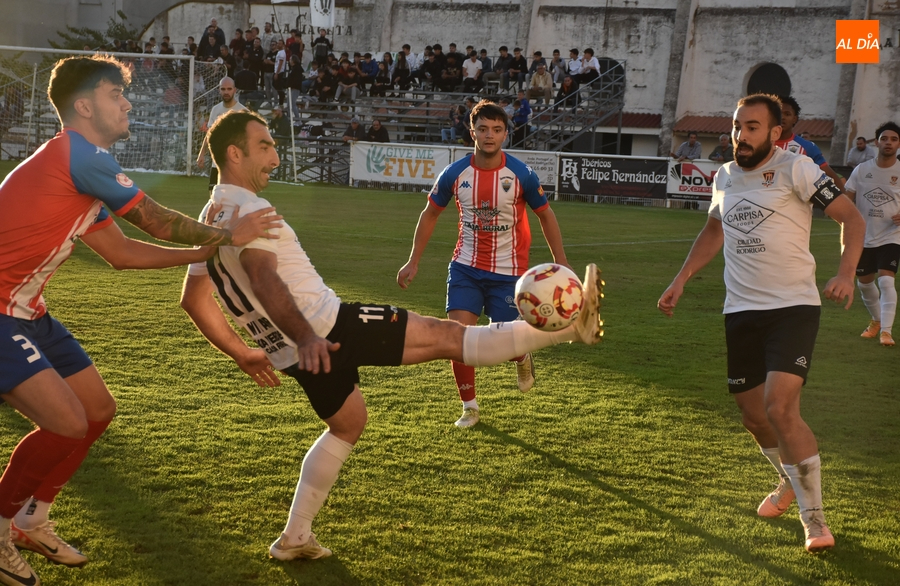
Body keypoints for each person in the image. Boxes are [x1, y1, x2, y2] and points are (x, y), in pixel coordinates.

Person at [179, 109, 603, 561]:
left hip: (289, 353)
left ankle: (295, 536)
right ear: (233, 152)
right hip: (326, 329)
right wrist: (307, 335)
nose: (276, 157)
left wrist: (244, 352)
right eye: (264, 146)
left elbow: (194, 297)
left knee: (347, 423)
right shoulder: (251, 210)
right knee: (447, 335)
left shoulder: (213, 213)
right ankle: (570, 330)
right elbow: (262, 276)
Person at [0, 56, 280, 585]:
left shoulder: (83, 169)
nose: (126, 102)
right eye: (113, 94)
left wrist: (206, 257)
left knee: (98, 410)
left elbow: (123, 252)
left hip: (27, 312)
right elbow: (154, 219)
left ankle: (30, 519)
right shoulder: (78, 155)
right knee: (66, 423)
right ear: (84, 106)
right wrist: (225, 238)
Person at [657, 93, 864, 553]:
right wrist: (681, 280)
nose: (740, 135)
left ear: (774, 133)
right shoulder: (726, 176)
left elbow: (850, 217)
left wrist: (846, 274)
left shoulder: (797, 167)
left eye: (752, 127)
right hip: (740, 311)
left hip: (793, 307)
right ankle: (789, 479)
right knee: (753, 416)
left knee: (779, 407)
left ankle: (815, 521)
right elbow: (714, 229)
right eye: (736, 126)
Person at [397, 100, 573, 428]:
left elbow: (546, 215)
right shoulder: (455, 173)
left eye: (496, 129)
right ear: (472, 132)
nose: (489, 135)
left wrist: (560, 264)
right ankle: (470, 407)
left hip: (509, 273)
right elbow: (430, 213)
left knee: (504, 342)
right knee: (457, 337)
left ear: (506, 133)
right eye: (482, 129)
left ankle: (521, 356)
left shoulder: (521, 174)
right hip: (465, 266)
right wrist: (413, 261)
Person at [843, 122, 900, 346]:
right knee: (865, 284)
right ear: (876, 142)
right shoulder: (862, 169)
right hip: (864, 236)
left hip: (892, 235)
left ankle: (886, 331)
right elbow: (846, 197)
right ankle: (876, 321)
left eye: (894, 139)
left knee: (886, 282)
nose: (888, 142)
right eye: (884, 138)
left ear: (899, 144)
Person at [775, 96, 846, 190]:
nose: (782, 117)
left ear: (794, 119)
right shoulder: (761, 144)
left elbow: (832, 178)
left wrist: (843, 201)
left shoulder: (807, 147)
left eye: (787, 114)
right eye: (778, 113)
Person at [197, 77, 248, 193]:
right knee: (214, 197)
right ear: (219, 90)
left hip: (236, 164)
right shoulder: (216, 110)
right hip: (218, 162)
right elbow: (210, 133)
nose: (226, 92)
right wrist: (202, 153)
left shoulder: (243, 112)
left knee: (235, 200)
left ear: (234, 90)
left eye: (229, 89)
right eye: (223, 89)